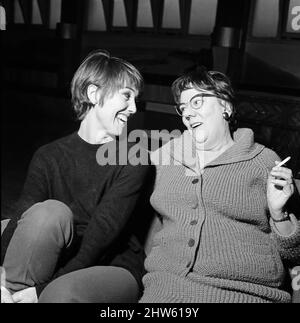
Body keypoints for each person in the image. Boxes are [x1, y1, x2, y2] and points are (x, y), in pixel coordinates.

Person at [1, 49, 152, 303]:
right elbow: (22, 216)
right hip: (55, 257)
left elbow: (101, 236)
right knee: (49, 212)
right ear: (93, 94)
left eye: (136, 99)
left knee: (59, 296)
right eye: (127, 96)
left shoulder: (133, 157)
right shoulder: (49, 155)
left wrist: (41, 291)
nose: (134, 108)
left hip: (113, 264)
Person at [139, 66, 300, 303]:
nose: (188, 114)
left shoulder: (264, 162)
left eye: (196, 103)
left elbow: (293, 254)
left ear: (225, 106)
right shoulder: (164, 159)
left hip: (245, 294)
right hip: (168, 290)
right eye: (182, 108)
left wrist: (279, 214)